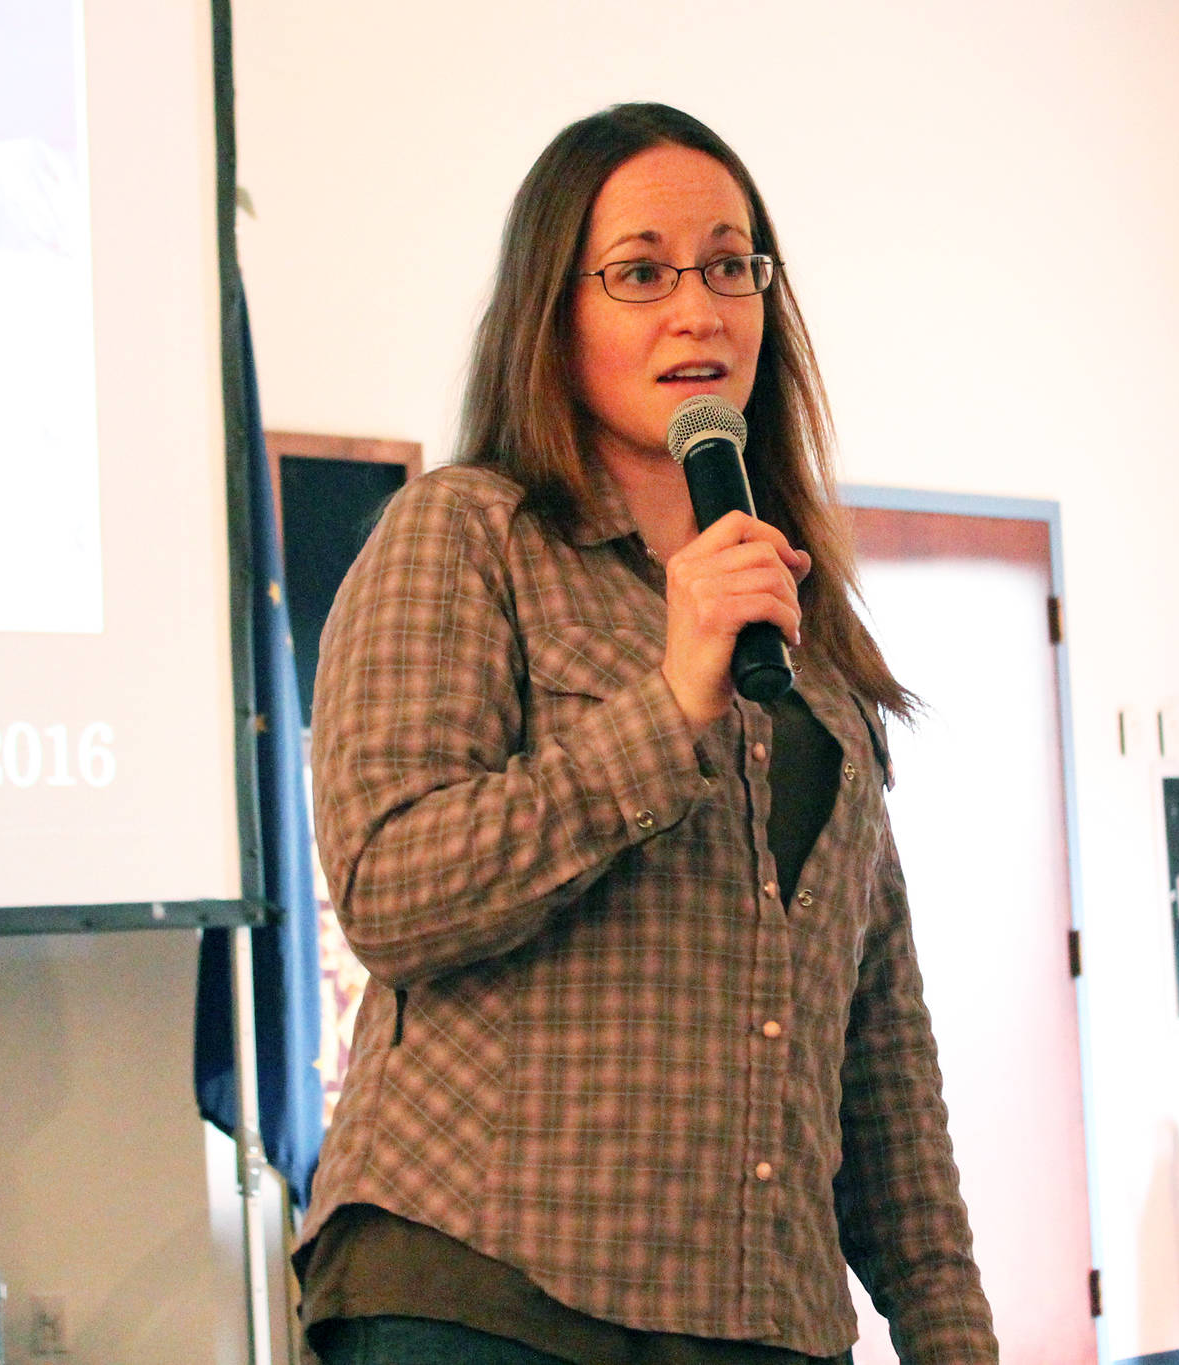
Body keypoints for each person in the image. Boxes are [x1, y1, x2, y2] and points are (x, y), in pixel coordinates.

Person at [294, 102, 998, 1365]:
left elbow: (879, 1041)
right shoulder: (466, 538)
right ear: (551, 314)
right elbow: (390, 895)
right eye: (640, 273)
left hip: (759, 1320)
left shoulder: (802, 627)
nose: (698, 310)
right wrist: (667, 709)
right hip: (484, 1298)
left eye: (730, 266)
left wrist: (952, 1333)